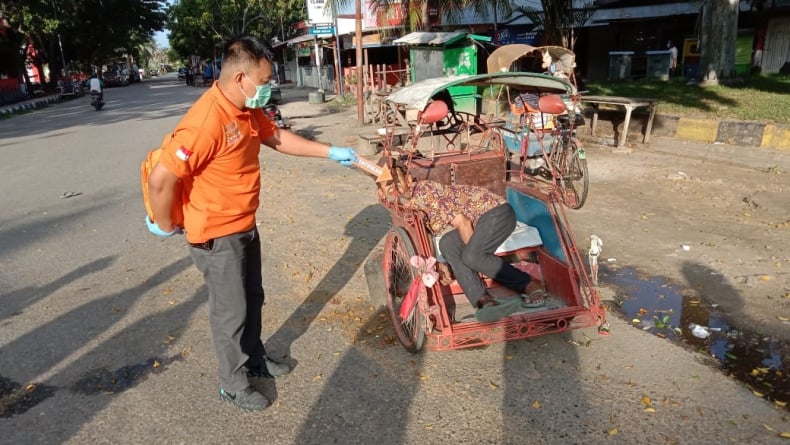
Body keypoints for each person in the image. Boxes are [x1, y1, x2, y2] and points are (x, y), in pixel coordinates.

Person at [145, 35, 358, 412]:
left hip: (244, 223)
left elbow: (275, 137)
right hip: (215, 233)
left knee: (252, 298)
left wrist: (329, 152)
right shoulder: (205, 121)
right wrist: (164, 222)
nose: (269, 86)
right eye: (264, 80)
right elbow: (162, 178)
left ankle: (255, 358)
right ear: (241, 77)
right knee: (231, 311)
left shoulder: (245, 109)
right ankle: (233, 382)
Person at [378, 165, 547, 323]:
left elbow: (463, 223)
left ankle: (530, 285)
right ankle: (483, 300)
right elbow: (428, 235)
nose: (396, 191)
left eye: (397, 184)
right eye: (390, 189)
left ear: (408, 180)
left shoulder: (424, 192)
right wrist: (436, 264)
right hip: (478, 221)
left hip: (497, 213)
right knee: (447, 243)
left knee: (472, 256)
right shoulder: (409, 206)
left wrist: (474, 261)